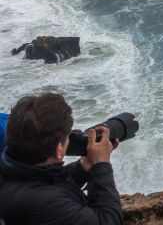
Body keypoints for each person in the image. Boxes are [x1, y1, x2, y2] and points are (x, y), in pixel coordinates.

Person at [0, 93, 123, 225]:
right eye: (68, 136)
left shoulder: (10, 172)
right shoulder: (49, 204)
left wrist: (83, 167)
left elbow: (41, 180)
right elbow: (108, 220)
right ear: (59, 150)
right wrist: (101, 165)